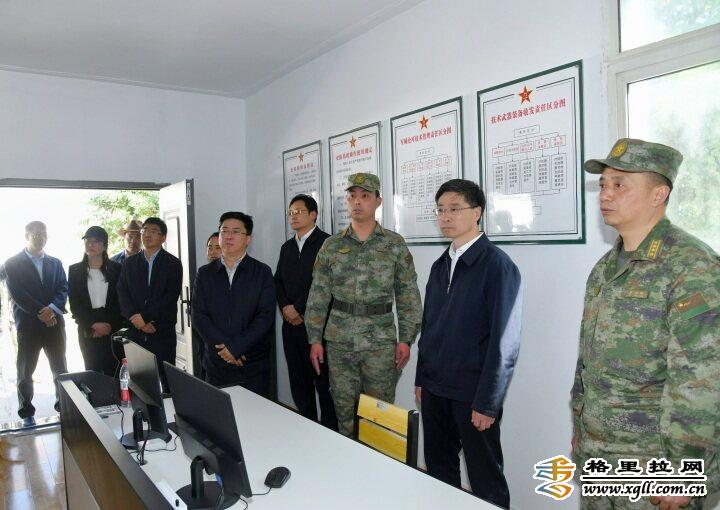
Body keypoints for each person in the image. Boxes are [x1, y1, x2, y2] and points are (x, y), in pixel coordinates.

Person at [571, 138, 720, 510]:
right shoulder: (605, 268)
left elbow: (701, 379)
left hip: (653, 463)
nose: (606, 193)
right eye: (604, 184)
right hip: (599, 456)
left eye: (620, 184)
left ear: (659, 194)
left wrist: (685, 471)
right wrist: (580, 427)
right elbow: (588, 362)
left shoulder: (691, 266)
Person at [414, 179, 521, 509]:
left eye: (454, 209)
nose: (445, 216)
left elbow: (505, 342)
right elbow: (429, 327)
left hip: (472, 394)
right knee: (438, 472)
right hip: (435, 389)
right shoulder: (440, 264)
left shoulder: (497, 266)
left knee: (485, 480)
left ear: (477, 212)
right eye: (440, 210)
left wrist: (488, 402)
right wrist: (421, 379)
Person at [304, 173, 422, 437]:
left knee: (380, 414)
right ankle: (349, 459)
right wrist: (314, 339)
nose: (357, 202)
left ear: (378, 201)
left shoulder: (393, 244)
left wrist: (406, 339)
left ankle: (378, 462)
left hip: (380, 343)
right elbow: (318, 295)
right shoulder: (331, 246)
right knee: (344, 410)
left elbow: (407, 294)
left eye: (365, 196)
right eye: (352, 196)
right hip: (340, 341)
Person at [192, 212, 275, 396]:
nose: (229, 236)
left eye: (236, 232)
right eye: (224, 231)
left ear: (248, 239)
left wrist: (237, 348)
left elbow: (265, 317)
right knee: (217, 412)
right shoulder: (205, 273)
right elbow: (199, 315)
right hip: (216, 362)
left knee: (254, 412)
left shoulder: (262, 272)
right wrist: (226, 349)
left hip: (251, 363)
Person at [274, 194, 337, 429]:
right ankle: (307, 429)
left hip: (318, 329)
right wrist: (285, 308)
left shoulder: (327, 243)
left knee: (324, 385)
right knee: (299, 383)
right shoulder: (287, 247)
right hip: (291, 327)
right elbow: (278, 281)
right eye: (290, 212)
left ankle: (330, 433)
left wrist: (298, 308)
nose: (293, 216)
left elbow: (325, 285)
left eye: (299, 211)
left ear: (313, 214)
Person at [0, 221, 68, 427]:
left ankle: (63, 408)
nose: (41, 237)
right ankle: (26, 412)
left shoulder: (55, 263)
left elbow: (63, 289)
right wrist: (43, 312)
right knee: (25, 372)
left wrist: (52, 309)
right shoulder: (12, 263)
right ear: (27, 236)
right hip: (28, 326)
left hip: (54, 324)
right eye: (36, 234)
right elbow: (18, 294)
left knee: (60, 370)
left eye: (44, 234)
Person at [117, 217, 182, 389]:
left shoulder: (173, 264)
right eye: (145, 230)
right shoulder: (129, 263)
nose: (147, 234)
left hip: (161, 331)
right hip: (135, 332)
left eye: (154, 231)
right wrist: (135, 318)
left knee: (165, 380)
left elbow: (170, 297)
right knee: (138, 381)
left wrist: (145, 318)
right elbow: (122, 293)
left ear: (163, 237)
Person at [68, 226, 124, 377]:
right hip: (88, 330)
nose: (90, 245)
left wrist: (108, 326)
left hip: (112, 329)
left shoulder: (117, 269)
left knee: (114, 373)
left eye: (95, 241)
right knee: (92, 373)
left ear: (104, 245)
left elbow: (120, 302)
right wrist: (93, 325)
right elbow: (75, 305)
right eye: (87, 241)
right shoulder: (75, 271)